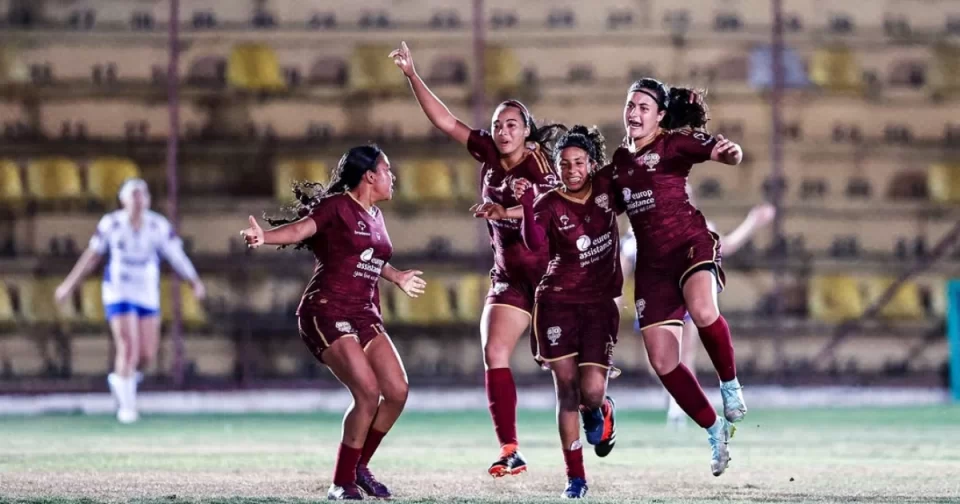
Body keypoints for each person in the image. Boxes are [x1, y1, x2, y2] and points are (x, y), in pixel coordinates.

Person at [391, 41, 565, 477]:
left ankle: (600, 407)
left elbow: (544, 215)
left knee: (565, 373)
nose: (502, 131)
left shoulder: (541, 166)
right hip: (508, 277)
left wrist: (503, 211)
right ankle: (510, 450)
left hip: (549, 279)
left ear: (527, 131)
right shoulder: (488, 152)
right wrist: (413, 75)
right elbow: (445, 121)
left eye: (511, 125)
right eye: (497, 124)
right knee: (494, 350)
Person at [241, 145, 425, 500]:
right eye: (387, 169)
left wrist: (396, 276)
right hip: (326, 310)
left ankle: (358, 466)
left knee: (398, 391)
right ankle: (341, 483)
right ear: (370, 176)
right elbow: (300, 231)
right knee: (368, 393)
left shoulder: (376, 215)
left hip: (364, 313)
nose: (393, 176)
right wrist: (265, 237)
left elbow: (369, 256)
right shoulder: (337, 206)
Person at [612, 78, 745, 476]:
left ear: (661, 116)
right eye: (630, 105)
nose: (634, 113)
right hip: (652, 266)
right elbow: (603, 204)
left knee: (703, 308)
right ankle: (715, 430)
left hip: (688, 242)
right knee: (663, 361)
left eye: (643, 107)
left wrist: (730, 153)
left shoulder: (673, 144)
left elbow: (721, 152)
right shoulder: (620, 162)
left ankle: (730, 386)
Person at [483, 126, 621, 498]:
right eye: (564, 164)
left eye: (578, 162)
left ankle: (600, 409)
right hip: (557, 302)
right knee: (567, 390)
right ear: (557, 167)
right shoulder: (547, 201)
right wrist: (527, 204)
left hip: (599, 305)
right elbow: (533, 241)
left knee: (590, 391)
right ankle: (575, 478)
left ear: (591, 164)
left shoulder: (607, 187)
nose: (571, 169)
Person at [54, 178, 206, 424]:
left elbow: (176, 255)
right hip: (119, 290)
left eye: (142, 195)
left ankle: (121, 380)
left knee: (146, 354)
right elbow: (92, 257)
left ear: (147, 200)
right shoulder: (111, 224)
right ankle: (127, 407)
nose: (137, 200)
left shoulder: (158, 225)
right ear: (123, 200)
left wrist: (194, 281)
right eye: (132, 195)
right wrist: (69, 286)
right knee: (128, 345)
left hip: (146, 292)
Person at [620, 200, 776, 428]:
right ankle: (678, 397)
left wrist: (752, 222)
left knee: (686, 355)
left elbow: (726, 245)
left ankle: (680, 410)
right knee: (657, 364)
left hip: (685, 299)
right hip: (652, 304)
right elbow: (621, 271)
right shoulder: (641, 230)